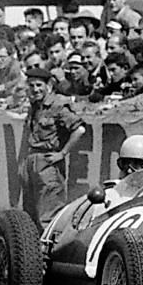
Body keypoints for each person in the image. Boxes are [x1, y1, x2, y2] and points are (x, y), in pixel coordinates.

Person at [20, 70, 85, 224]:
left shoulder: (57, 105)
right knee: (30, 214)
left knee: (49, 214)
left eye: (39, 85)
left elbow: (79, 129)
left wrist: (62, 153)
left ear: (48, 86)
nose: (35, 89)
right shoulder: (35, 106)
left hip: (48, 163)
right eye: (32, 85)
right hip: (32, 161)